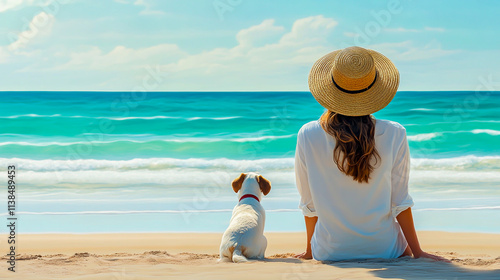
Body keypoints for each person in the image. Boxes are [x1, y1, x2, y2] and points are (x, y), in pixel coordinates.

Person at [294, 46, 450, 262]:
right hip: (384, 249)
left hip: (329, 251)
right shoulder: (395, 132)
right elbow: (400, 201)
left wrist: (312, 250)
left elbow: (309, 203)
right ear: (373, 90)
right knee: (395, 240)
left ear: (330, 89)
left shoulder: (308, 134)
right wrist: (417, 252)